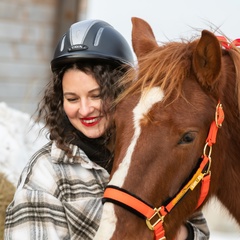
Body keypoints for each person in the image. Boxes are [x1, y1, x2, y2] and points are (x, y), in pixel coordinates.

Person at [4, 19, 209, 240]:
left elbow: (200, 233)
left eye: (97, 95)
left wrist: (167, 230)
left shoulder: (153, 154)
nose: (85, 109)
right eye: (72, 98)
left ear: (122, 90)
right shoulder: (47, 173)